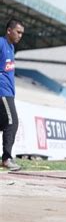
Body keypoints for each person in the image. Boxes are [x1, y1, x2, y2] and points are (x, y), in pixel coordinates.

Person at [1, 18, 24, 171]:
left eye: (22, 33)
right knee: (12, 122)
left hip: (9, 92)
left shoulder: (11, 48)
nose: (20, 35)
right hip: (2, 91)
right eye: (18, 32)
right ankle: (7, 158)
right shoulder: (1, 43)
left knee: (3, 123)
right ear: (9, 30)